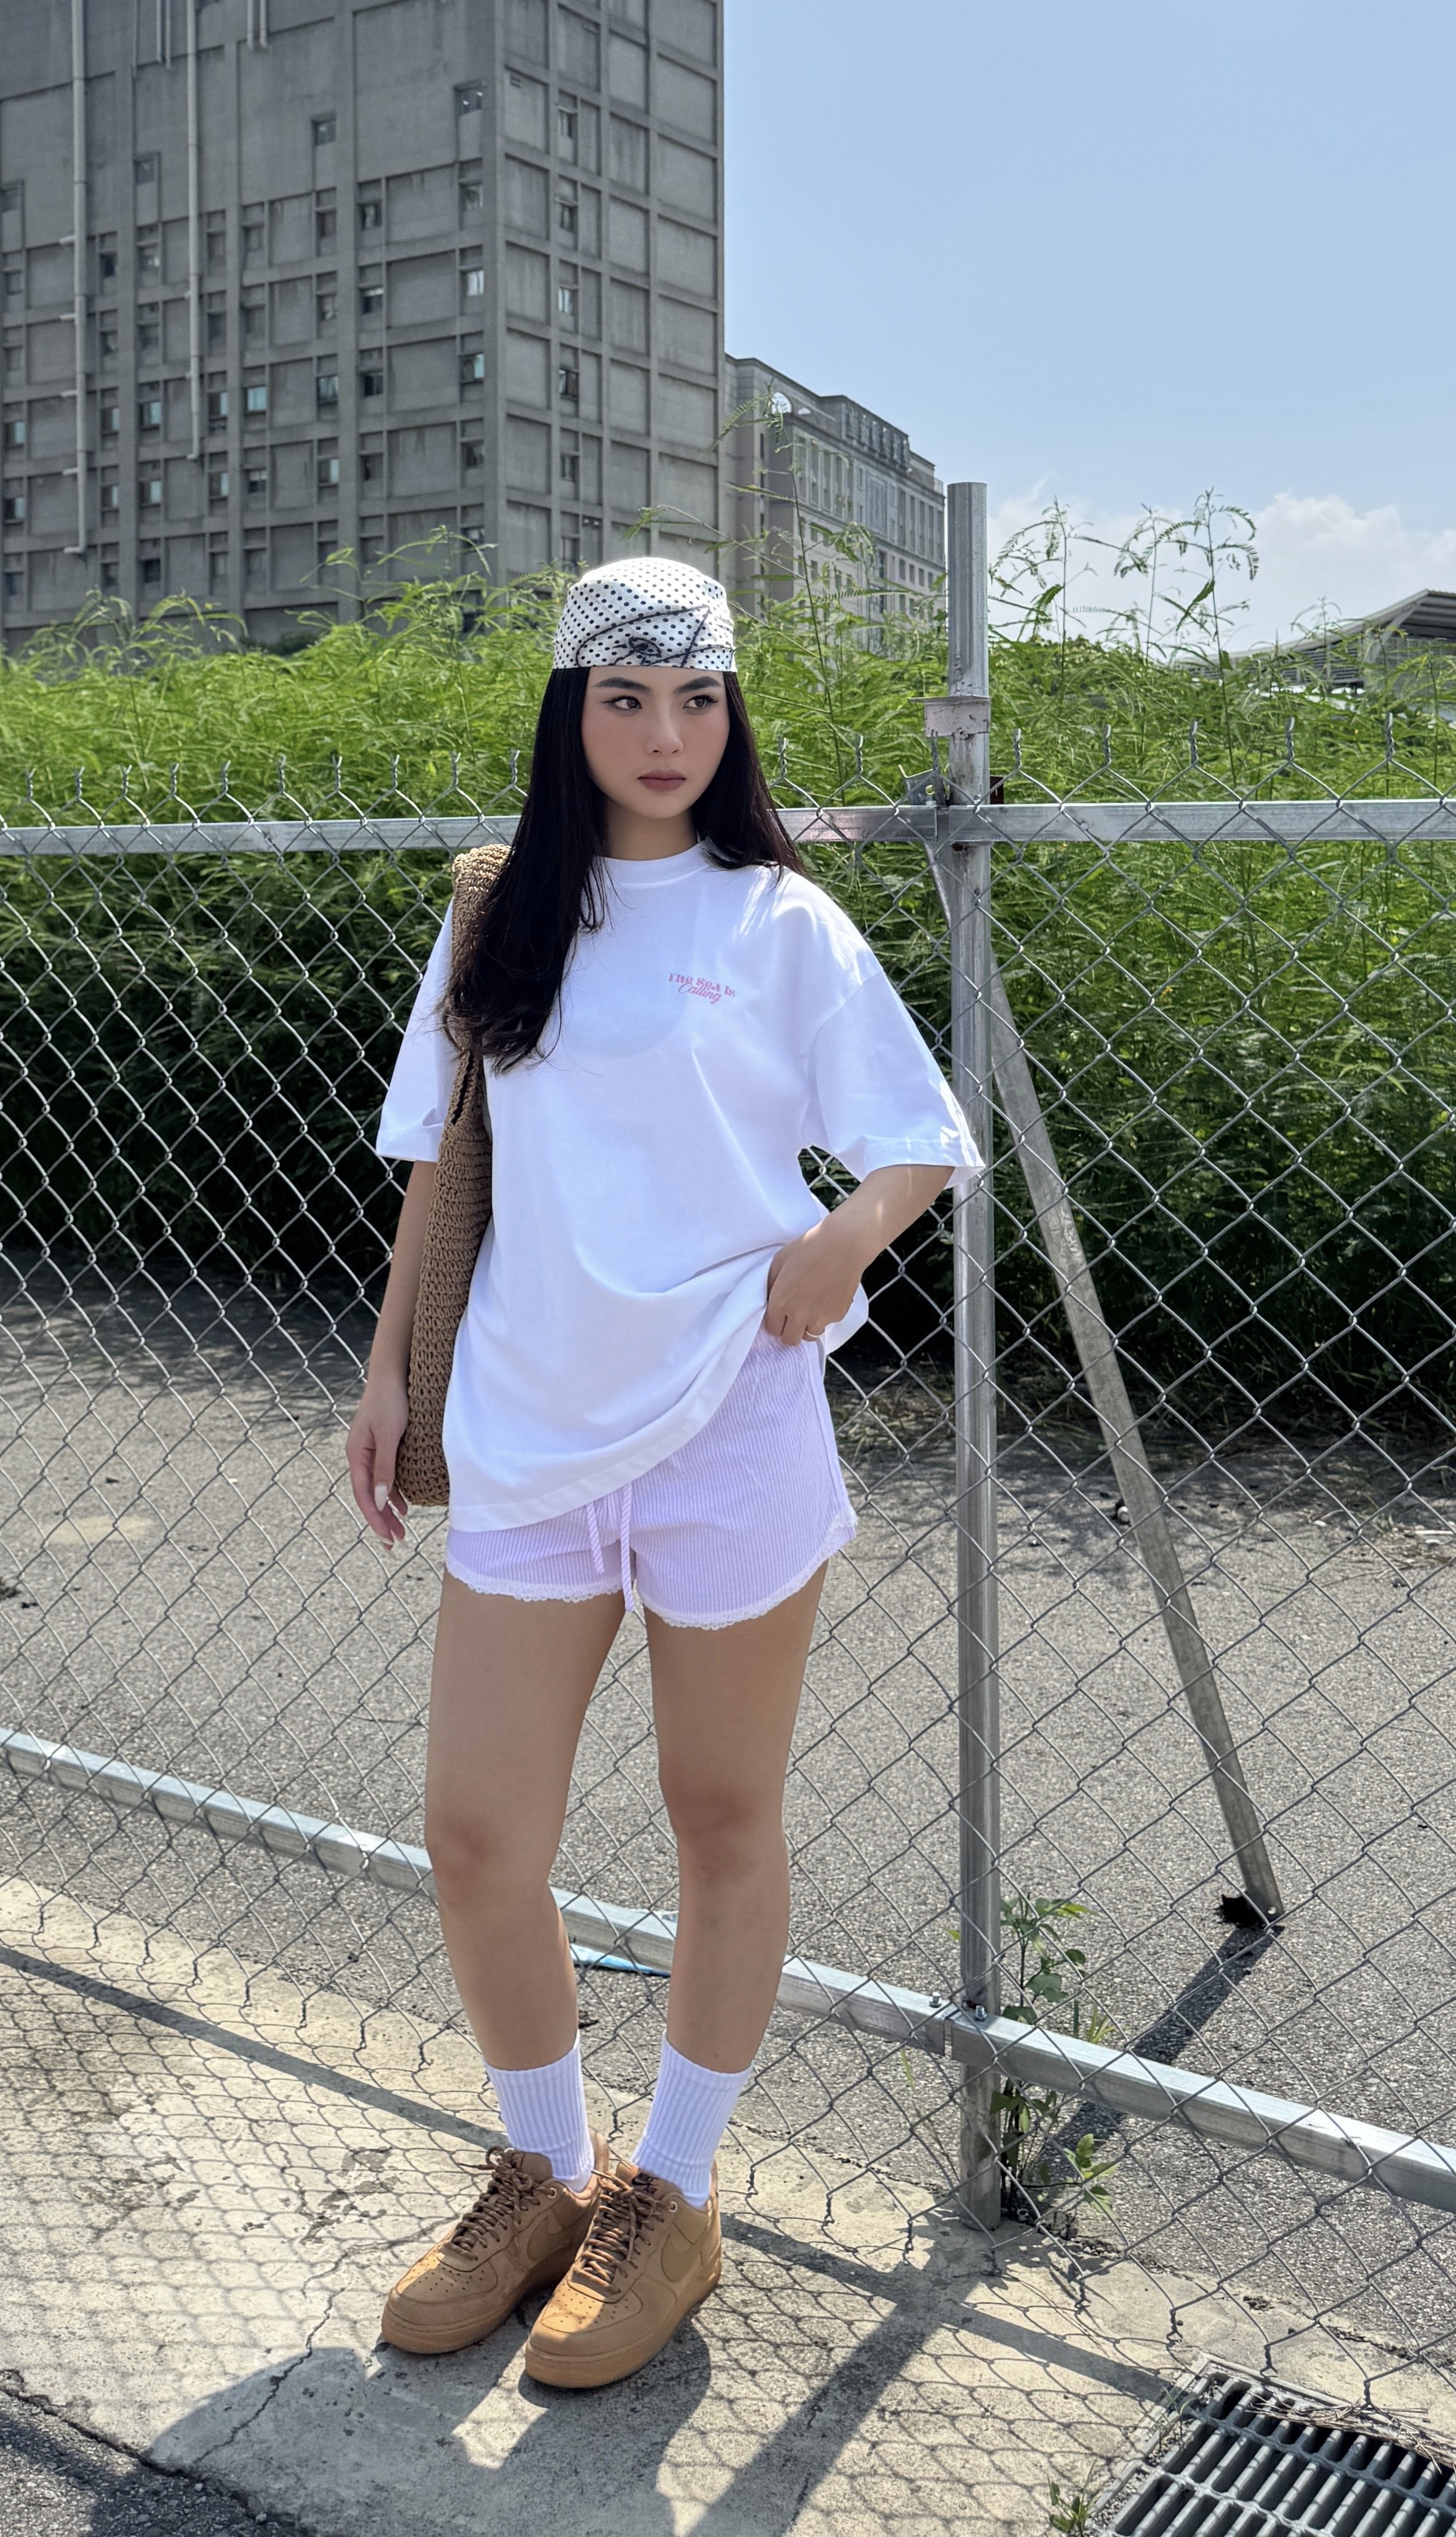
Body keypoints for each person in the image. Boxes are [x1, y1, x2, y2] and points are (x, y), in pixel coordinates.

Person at [347, 556, 980, 2390]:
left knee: (719, 1816)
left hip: (731, 1418)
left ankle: (676, 2197)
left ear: (729, 714)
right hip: (529, 1422)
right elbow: (438, 1161)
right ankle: (546, 2171)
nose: (664, 736)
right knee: (477, 1833)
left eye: (697, 700)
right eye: (625, 700)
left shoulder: (781, 920)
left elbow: (919, 1140)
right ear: (572, 714)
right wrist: (388, 1375)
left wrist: (843, 1238)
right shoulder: (498, 916)